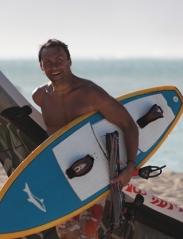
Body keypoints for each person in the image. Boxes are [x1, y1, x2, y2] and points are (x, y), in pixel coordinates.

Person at [32, 39, 139, 239]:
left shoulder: (90, 93)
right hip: (64, 173)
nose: (54, 66)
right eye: (48, 62)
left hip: (94, 169)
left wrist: (129, 167)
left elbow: (128, 125)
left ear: (69, 61)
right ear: (41, 66)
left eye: (59, 59)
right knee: (67, 232)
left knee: (90, 231)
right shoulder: (40, 96)